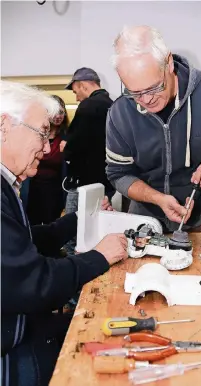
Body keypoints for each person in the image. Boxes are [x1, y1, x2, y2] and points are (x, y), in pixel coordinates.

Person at [1, 80, 128, 386]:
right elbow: (32, 282)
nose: (47, 147)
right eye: (43, 133)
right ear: (4, 126)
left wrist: (75, 221)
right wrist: (99, 257)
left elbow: (21, 243)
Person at [106, 25, 201, 232]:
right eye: (135, 92)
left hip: (198, 216)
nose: (146, 100)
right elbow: (118, 174)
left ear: (169, 63)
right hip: (144, 220)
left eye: (154, 87)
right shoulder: (120, 112)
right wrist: (158, 199)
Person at [63, 67, 115, 254]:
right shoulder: (113, 105)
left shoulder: (87, 107)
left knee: (72, 230)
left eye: (76, 92)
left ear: (82, 85)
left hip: (83, 183)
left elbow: (74, 146)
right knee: (93, 229)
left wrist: (65, 149)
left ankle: (71, 270)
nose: (77, 98)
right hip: (107, 182)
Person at [22, 95, 68, 225]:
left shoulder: (67, 136)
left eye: (62, 112)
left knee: (51, 226)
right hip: (33, 189)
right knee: (32, 226)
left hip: (55, 191)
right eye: (55, 112)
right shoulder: (34, 134)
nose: (59, 116)